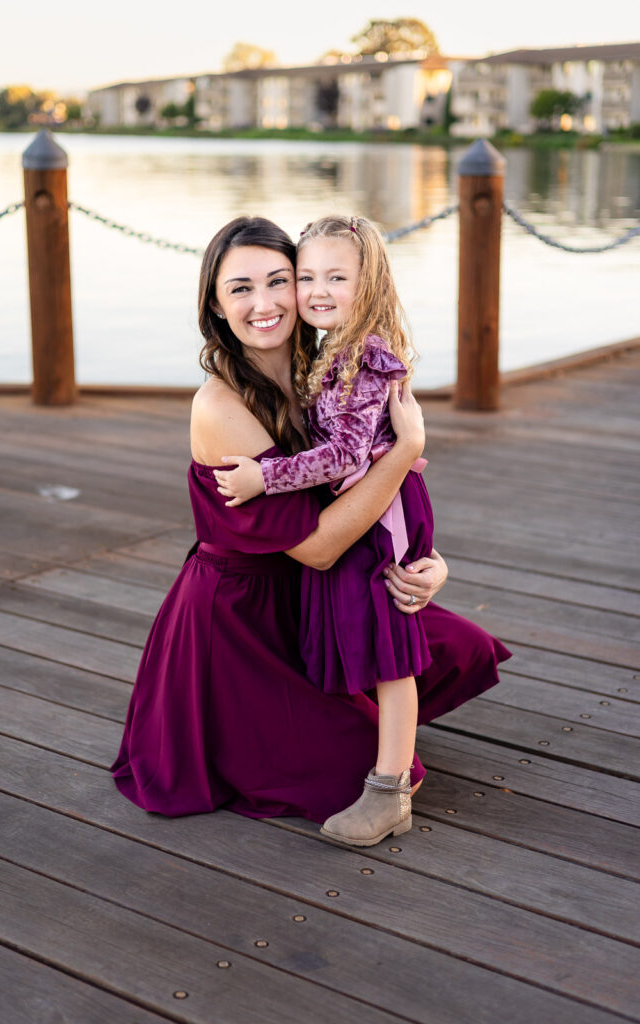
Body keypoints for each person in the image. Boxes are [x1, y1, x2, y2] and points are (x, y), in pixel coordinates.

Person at [110, 215, 511, 846]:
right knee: (367, 770)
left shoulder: (324, 371)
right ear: (214, 307)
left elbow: (364, 491)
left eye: (280, 281)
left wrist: (427, 560)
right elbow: (321, 547)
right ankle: (330, 730)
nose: (265, 303)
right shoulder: (220, 406)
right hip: (242, 621)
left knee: (462, 647)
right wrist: (408, 448)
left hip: (313, 591)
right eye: (240, 289)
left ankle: (356, 710)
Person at [213, 214, 491, 846]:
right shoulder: (331, 348)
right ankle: (364, 750)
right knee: (365, 632)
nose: (316, 290)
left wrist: (265, 475)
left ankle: (389, 790)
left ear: (368, 282)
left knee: (390, 647)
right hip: (370, 505)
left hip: (380, 510)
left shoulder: (363, 356)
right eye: (306, 275)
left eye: (336, 276)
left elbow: (342, 458)